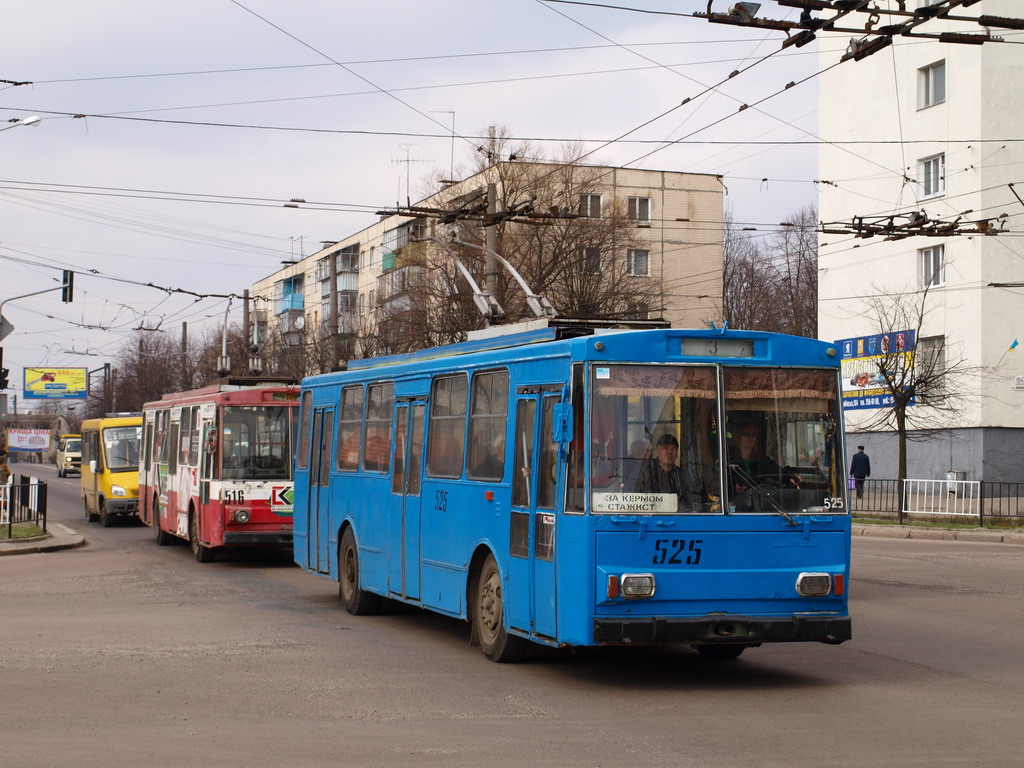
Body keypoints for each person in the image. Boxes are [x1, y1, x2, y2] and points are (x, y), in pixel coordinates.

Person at [635, 434, 701, 508]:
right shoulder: (645, 470)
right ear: (657, 451)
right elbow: (634, 498)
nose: (670, 452)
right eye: (665, 448)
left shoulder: (682, 474)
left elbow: (693, 499)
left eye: (673, 448)